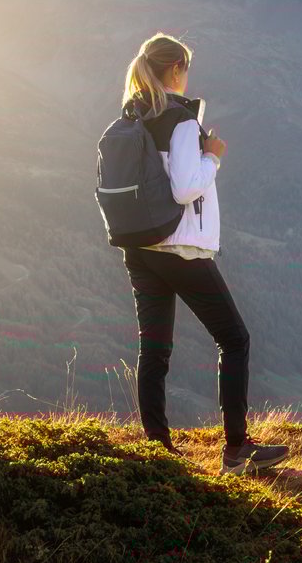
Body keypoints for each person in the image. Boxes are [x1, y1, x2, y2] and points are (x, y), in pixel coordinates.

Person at [118, 33, 289, 475]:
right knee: (234, 339)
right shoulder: (180, 120)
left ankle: (159, 450)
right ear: (177, 70)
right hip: (182, 248)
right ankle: (236, 450)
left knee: (153, 349)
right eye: (186, 68)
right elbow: (185, 187)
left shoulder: (135, 116)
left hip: (141, 248)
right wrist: (212, 156)